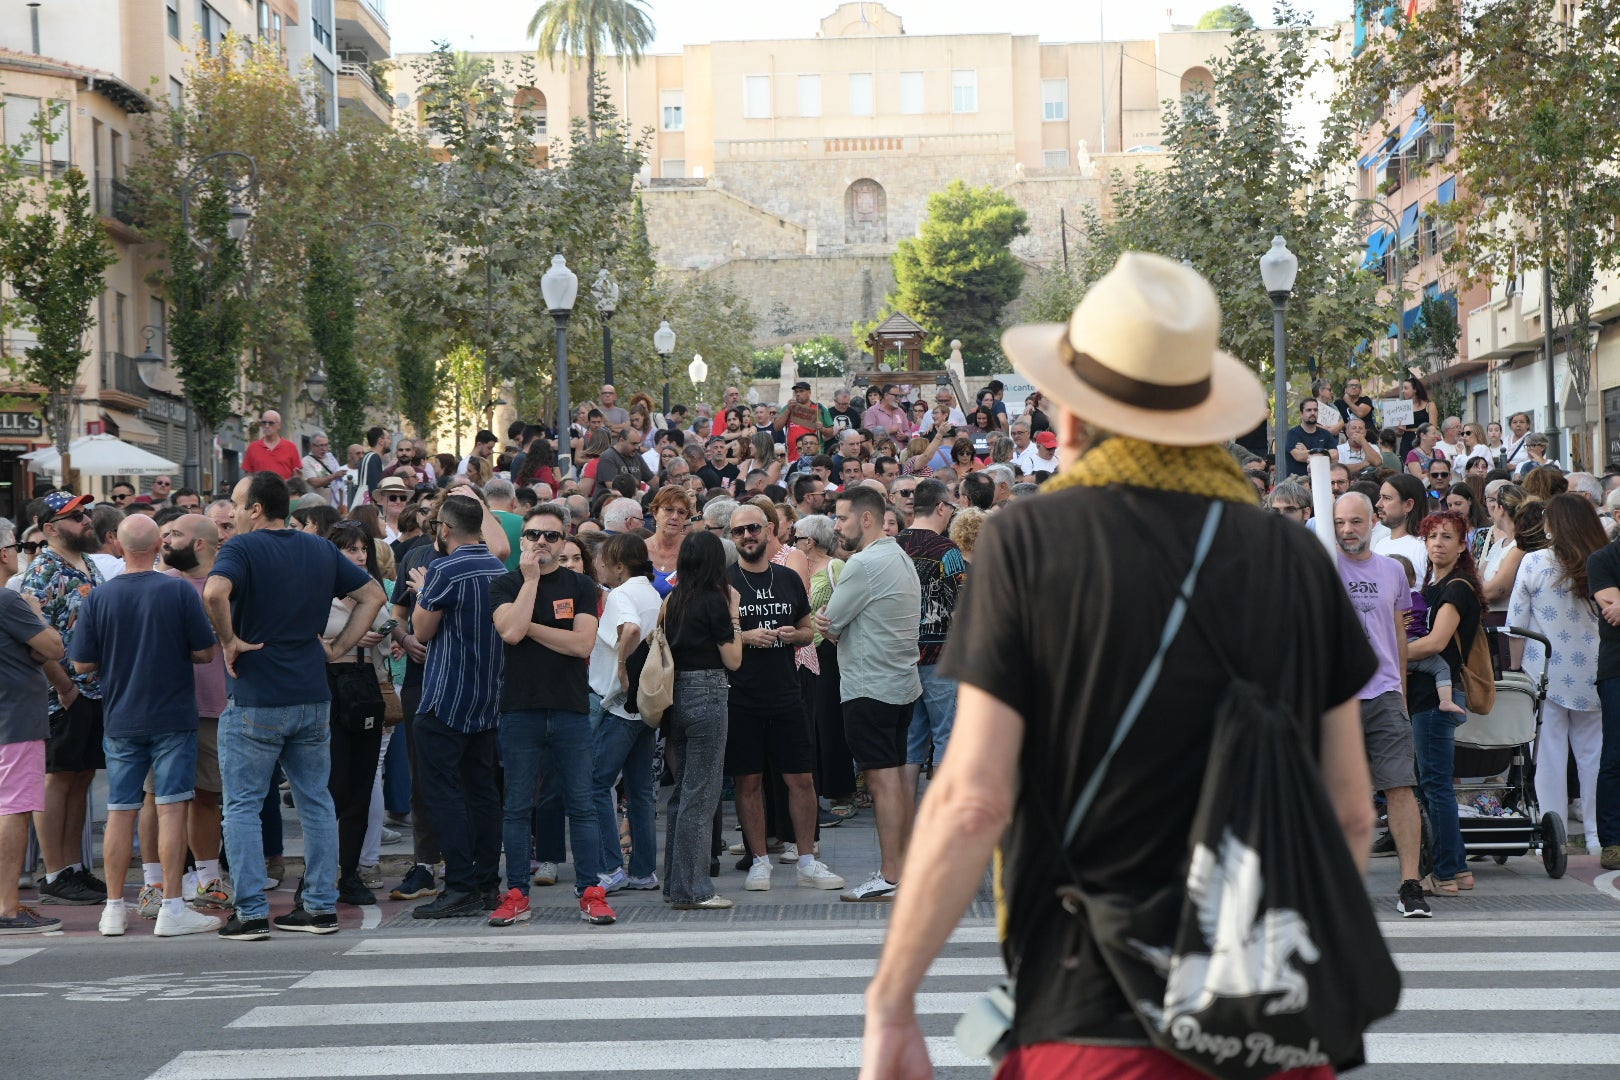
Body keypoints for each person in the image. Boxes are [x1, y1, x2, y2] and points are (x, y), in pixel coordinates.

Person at [859, 253, 1375, 1078]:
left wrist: (891, 1002)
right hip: (1265, 1027)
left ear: (1069, 418)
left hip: (1089, 1020)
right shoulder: (1296, 558)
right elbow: (1351, 814)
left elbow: (972, 801)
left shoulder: (1029, 543)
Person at [204, 472, 386, 939]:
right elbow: (373, 595)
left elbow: (214, 593)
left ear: (256, 509)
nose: (233, 514)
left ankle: (248, 913)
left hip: (257, 695)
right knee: (316, 801)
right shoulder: (319, 547)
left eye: (237, 505)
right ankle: (321, 906)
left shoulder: (241, 549)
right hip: (312, 692)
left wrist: (230, 642)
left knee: (242, 805)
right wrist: (339, 645)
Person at [69, 514, 221, 938]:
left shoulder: (99, 597)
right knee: (172, 808)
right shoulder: (176, 590)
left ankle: (113, 908)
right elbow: (206, 654)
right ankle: (172, 906)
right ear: (158, 547)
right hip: (173, 714)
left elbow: (82, 663)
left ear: (120, 546)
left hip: (121, 715)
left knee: (121, 811)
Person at [489, 504, 616, 927]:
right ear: (522, 540)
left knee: (581, 805)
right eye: (533, 535)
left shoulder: (580, 585)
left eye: (551, 536)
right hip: (520, 710)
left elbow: (581, 645)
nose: (541, 541)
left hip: (569, 709)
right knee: (517, 808)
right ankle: (517, 895)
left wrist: (529, 629)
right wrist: (528, 583)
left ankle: (591, 891)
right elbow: (508, 631)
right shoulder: (506, 583)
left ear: (564, 542)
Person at [726, 504, 844, 893]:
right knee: (749, 782)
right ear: (732, 537)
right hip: (742, 696)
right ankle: (760, 860)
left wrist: (795, 635)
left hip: (787, 692)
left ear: (769, 530)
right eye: (739, 531)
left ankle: (808, 859)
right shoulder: (725, 582)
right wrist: (745, 637)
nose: (747, 536)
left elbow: (810, 630)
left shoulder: (789, 577)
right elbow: (713, 637)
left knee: (802, 780)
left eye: (754, 528)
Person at [404, 494, 508, 921]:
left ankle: (460, 884)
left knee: (443, 793)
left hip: (446, 697)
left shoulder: (447, 568)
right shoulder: (498, 567)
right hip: (487, 697)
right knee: (482, 793)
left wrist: (424, 589)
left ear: (445, 529)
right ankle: (486, 884)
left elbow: (421, 630)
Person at [817, 484, 921, 903]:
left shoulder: (864, 564)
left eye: (841, 518)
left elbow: (830, 622)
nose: (836, 526)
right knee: (894, 779)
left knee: (883, 783)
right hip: (897, 685)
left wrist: (834, 624)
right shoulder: (899, 555)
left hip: (869, 686)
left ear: (865, 518)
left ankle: (892, 875)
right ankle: (903, 871)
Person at [1333, 494, 1430, 917]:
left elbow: (1398, 635)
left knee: (1401, 787)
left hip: (1384, 693)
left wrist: (1401, 692)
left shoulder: (1392, 570)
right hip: (1335, 699)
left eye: (1355, 521)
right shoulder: (1320, 565)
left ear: (1374, 521)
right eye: (1339, 523)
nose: (1347, 530)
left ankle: (1410, 884)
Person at [20, 491, 108, 907]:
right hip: (65, 696)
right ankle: (55, 871)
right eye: (76, 516)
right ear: (50, 528)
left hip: (93, 689)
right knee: (57, 780)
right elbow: (35, 643)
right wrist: (65, 687)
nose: (86, 520)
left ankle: (73, 867)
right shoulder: (42, 571)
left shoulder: (85, 561)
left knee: (82, 777)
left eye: (86, 513)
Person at [1510, 495, 1605, 852]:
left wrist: (1515, 670)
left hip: (1544, 670)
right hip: (1594, 670)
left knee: (1547, 756)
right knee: (1593, 754)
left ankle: (1553, 835)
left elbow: (1517, 624)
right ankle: (1598, 834)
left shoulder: (1534, 562)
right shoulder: (1602, 559)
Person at [662, 531, 744, 909]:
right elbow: (734, 659)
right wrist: (735, 616)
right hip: (708, 691)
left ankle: (676, 886)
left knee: (682, 793)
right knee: (702, 793)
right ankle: (695, 889)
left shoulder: (673, 599)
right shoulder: (715, 601)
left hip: (673, 695)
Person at [1405, 509, 1485, 897]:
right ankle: (1460, 869)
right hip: (1427, 694)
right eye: (1432, 536)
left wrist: (1390, 653)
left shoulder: (1456, 588)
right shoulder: (1431, 585)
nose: (1438, 543)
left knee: (1435, 786)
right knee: (1435, 784)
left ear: (1462, 545)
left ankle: (1446, 874)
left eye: (1447, 537)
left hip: (1438, 694)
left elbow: (1436, 643)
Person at [319, 521, 394, 907]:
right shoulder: (317, 594)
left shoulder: (373, 591)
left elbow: (394, 630)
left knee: (361, 787)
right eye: (350, 549)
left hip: (367, 688)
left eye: (363, 549)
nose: (360, 556)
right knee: (330, 786)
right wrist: (346, 636)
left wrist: (398, 636)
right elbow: (308, 640)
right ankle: (318, 876)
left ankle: (350, 874)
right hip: (329, 689)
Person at [587, 533, 664, 893]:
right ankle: (643, 870)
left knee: (597, 784)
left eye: (602, 559)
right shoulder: (650, 591)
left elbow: (630, 628)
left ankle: (612, 866)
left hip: (618, 705)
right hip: (644, 707)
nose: (597, 565)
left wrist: (621, 666)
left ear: (618, 564)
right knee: (640, 790)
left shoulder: (620, 594)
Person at [0, 515, 65, 935]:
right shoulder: (9, 602)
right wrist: (37, 616)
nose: (22, 556)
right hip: (15, 719)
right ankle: (7, 905)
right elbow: (54, 647)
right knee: (14, 810)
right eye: (17, 548)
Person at [897, 479, 968, 785]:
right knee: (948, 738)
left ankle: (905, 821)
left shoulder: (894, 544)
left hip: (901, 656)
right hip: (940, 655)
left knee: (911, 744)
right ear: (941, 507)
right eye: (951, 506)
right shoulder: (947, 549)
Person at [1375, 473, 1429, 585]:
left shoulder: (1424, 547)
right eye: (1380, 497)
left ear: (1408, 505)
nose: (1378, 504)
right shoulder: (1380, 544)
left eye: (1386, 498)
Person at [242, 411, 303, 480]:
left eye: (271, 423)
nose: (267, 426)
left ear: (279, 425)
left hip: (284, 490)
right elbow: (249, 476)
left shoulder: (291, 447)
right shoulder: (253, 447)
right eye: (264, 423)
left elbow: (296, 476)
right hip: (260, 490)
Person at [1284, 398, 1336, 477]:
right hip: (1298, 483)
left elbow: (1335, 456)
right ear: (1301, 414)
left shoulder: (1326, 434)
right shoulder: (1293, 434)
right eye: (1309, 410)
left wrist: (1307, 451)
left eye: (1315, 410)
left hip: (1321, 480)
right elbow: (1299, 456)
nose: (1313, 413)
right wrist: (1325, 453)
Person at [301, 431, 347, 508]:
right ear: (311, 446)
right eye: (321, 445)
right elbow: (315, 483)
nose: (324, 449)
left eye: (326, 445)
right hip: (314, 507)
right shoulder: (306, 461)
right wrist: (334, 475)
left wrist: (341, 503)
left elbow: (339, 483)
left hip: (332, 506)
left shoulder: (330, 459)